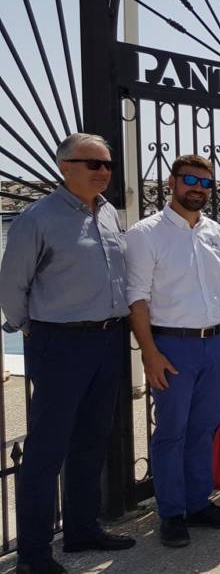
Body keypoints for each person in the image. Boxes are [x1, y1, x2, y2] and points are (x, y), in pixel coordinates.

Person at [0, 133, 135, 572]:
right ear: (65, 167)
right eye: (92, 163)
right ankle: (34, 556)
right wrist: (32, 329)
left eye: (107, 165)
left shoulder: (110, 213)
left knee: (92, 439)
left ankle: (81, 529)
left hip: (107, 338)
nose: (103, 172)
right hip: (60, 342)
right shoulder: (36, 218)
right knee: (46, 449)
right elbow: (11, 287)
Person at [125, 154, 220, 548]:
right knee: (172, 433)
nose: (198, 188)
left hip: (215, 344)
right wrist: (149, 352)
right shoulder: (146, 233)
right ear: (173, 182)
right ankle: (172, 513)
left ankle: (198, 502)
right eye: (191, 180)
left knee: (203, 429)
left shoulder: (215, 231)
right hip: (173, 345)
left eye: (206, 183)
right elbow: (137, 298)